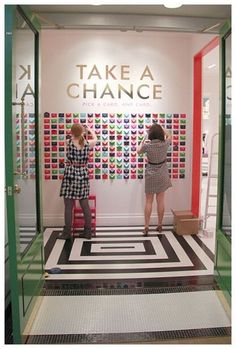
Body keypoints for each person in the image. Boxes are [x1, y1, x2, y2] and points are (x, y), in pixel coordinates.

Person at [58, 123, 97, 240]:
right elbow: (96, 138)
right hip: (83, 174)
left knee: (68, 205)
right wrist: (89, 130)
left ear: (71, 132)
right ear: (82, 132)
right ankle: (88, 231)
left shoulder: (68, 142)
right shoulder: (87, 143)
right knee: (85, 205)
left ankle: (66, 232)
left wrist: (79, 132)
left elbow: (73, 137)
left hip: (70, 174)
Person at [137, 123, 172, 236]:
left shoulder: (148, 146)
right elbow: (169, 135)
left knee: (148, 201)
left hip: (150, 173)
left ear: (151, 134)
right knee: (160, 201)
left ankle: (146, 226)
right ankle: (160, 225)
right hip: (162, 172)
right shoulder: (165, 143)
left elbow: (138, 151)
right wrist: (162, 128)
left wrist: (143, 139)